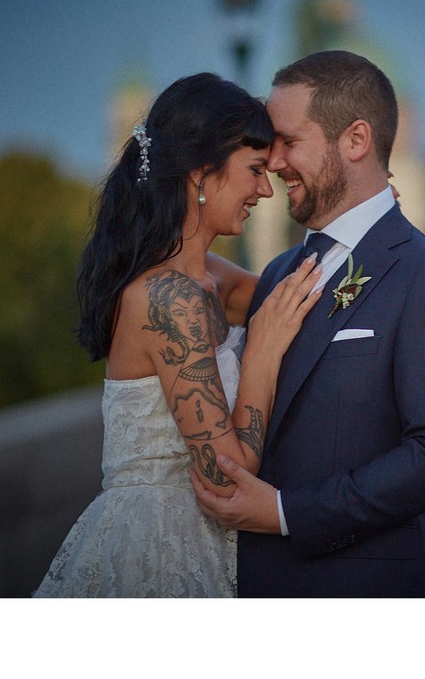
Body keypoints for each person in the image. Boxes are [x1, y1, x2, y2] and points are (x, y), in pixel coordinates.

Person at [190, 50, 425, 597]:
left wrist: (284, 511)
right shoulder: (279, 273)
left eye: (289, 142)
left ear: (355, 140)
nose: (273, 162)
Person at [35, 73, 322, 597]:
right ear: (201, 174)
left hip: (206, 540)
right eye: (255, 170)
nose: (265, 188)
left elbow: (295, 297)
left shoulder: (207, 278)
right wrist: (260, 352)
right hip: (162, 547)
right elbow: (225, 475)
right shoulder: (169, 297)